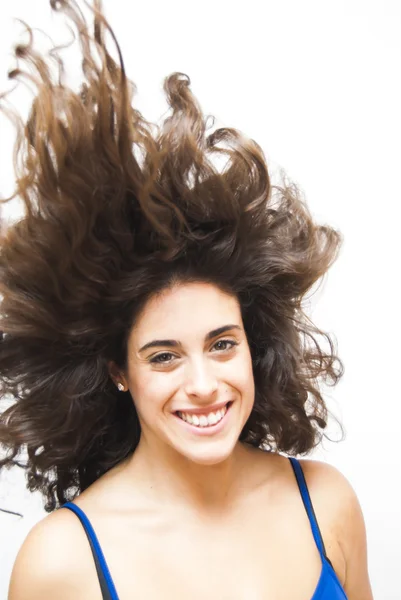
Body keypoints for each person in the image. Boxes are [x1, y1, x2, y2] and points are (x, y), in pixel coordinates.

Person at [0, 1, 373, 599]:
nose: (203, 383)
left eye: (222, 343)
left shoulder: (326, 504)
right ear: (119, 370)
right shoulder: (61, 561)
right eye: (164, 355)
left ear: (254, 345)